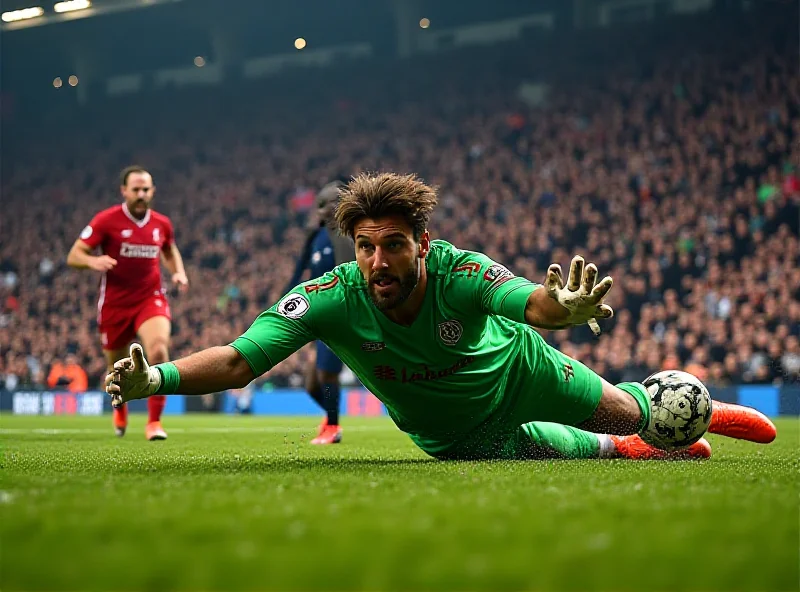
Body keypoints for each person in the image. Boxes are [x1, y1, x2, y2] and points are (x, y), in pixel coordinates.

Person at [105, 173, 776, 459]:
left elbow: (527, 300)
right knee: (596, 453)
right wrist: (155, 380)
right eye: (365, 247)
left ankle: (699, 415)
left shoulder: (460, 270)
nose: (377, 261)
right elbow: (237, 359)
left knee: (634, 417)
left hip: (525, 374)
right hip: (455, 437)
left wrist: (560, 310)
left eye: (392, 245)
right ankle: (637, 447)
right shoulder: (329, 295)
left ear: (420, 245)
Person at [68, 165, 189, 440]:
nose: (141, 194)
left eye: (146, 189)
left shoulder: (162, 224)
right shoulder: (106, 221)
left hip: (150, 297)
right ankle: (120, 408)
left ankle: (154, 423)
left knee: (158, 351)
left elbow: (169, 249)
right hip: (115, 304)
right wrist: (92, 261)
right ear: (124, 191)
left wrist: (178, 272)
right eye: (135, 189)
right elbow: (73, 255)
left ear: (153, 191)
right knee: (117, 367)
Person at [284, 179, 355, 444]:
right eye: (326, 203)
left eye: (337, 202)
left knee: (327, 373)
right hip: (318, 315)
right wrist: (281, 303)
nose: (331, 208)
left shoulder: (347, 236)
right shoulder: (315, 237)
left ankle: (333, 427)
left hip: (339, 314)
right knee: (312, 384)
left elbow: (349, 274)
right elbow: (297, 275)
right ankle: (331, 417)